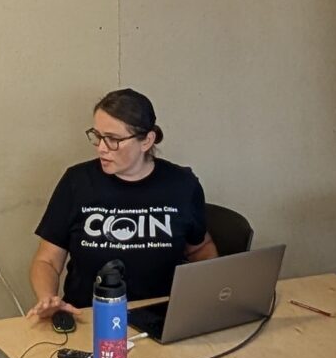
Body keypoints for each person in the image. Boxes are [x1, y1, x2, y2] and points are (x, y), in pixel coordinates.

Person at [28, 89, 216, 320]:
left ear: (147, 140)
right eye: (97, 136)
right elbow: (46, 260)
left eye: (114, 139)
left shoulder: (181, 185)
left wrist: (205, 295)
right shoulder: (77, 182)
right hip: (88, 316)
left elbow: (201, 249)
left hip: (163, 315)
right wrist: (48, 298)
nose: (101, 148)